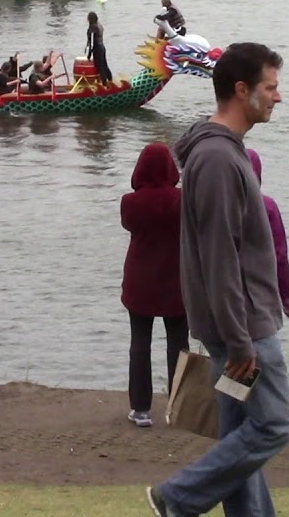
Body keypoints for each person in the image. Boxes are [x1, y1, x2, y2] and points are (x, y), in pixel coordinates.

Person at [148, 42, 289, 517]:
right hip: (244, 328)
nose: (278, 97)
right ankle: (176, 497)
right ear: (242, 90)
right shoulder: (217, 159)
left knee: (236, 436)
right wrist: (239, 339)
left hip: (238, 325)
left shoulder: (225, 152)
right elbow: (219, 258)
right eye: (271, 87)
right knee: (274, 424)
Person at [120, 144, 187, 428]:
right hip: (177, 279)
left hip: (140, 280)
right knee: (178, 344)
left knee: (140, 343)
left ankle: (141, 409)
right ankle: (179, 407)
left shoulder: (130, 202)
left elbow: (129, 226)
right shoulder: (183, 200)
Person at [247, 149, 289, 317]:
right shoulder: (267, 207)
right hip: (262, 291)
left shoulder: (221, 205)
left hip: (227, 292)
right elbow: (279, 255)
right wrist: (286, 295)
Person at [84, 12, 113, 84]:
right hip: (102, 46)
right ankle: (110, 80)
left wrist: (89, 54)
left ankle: (104, 84)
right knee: (105, 65)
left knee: (100, 67)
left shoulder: (93, 27)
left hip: (97, 49)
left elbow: (92, 42)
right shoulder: (99, 25)